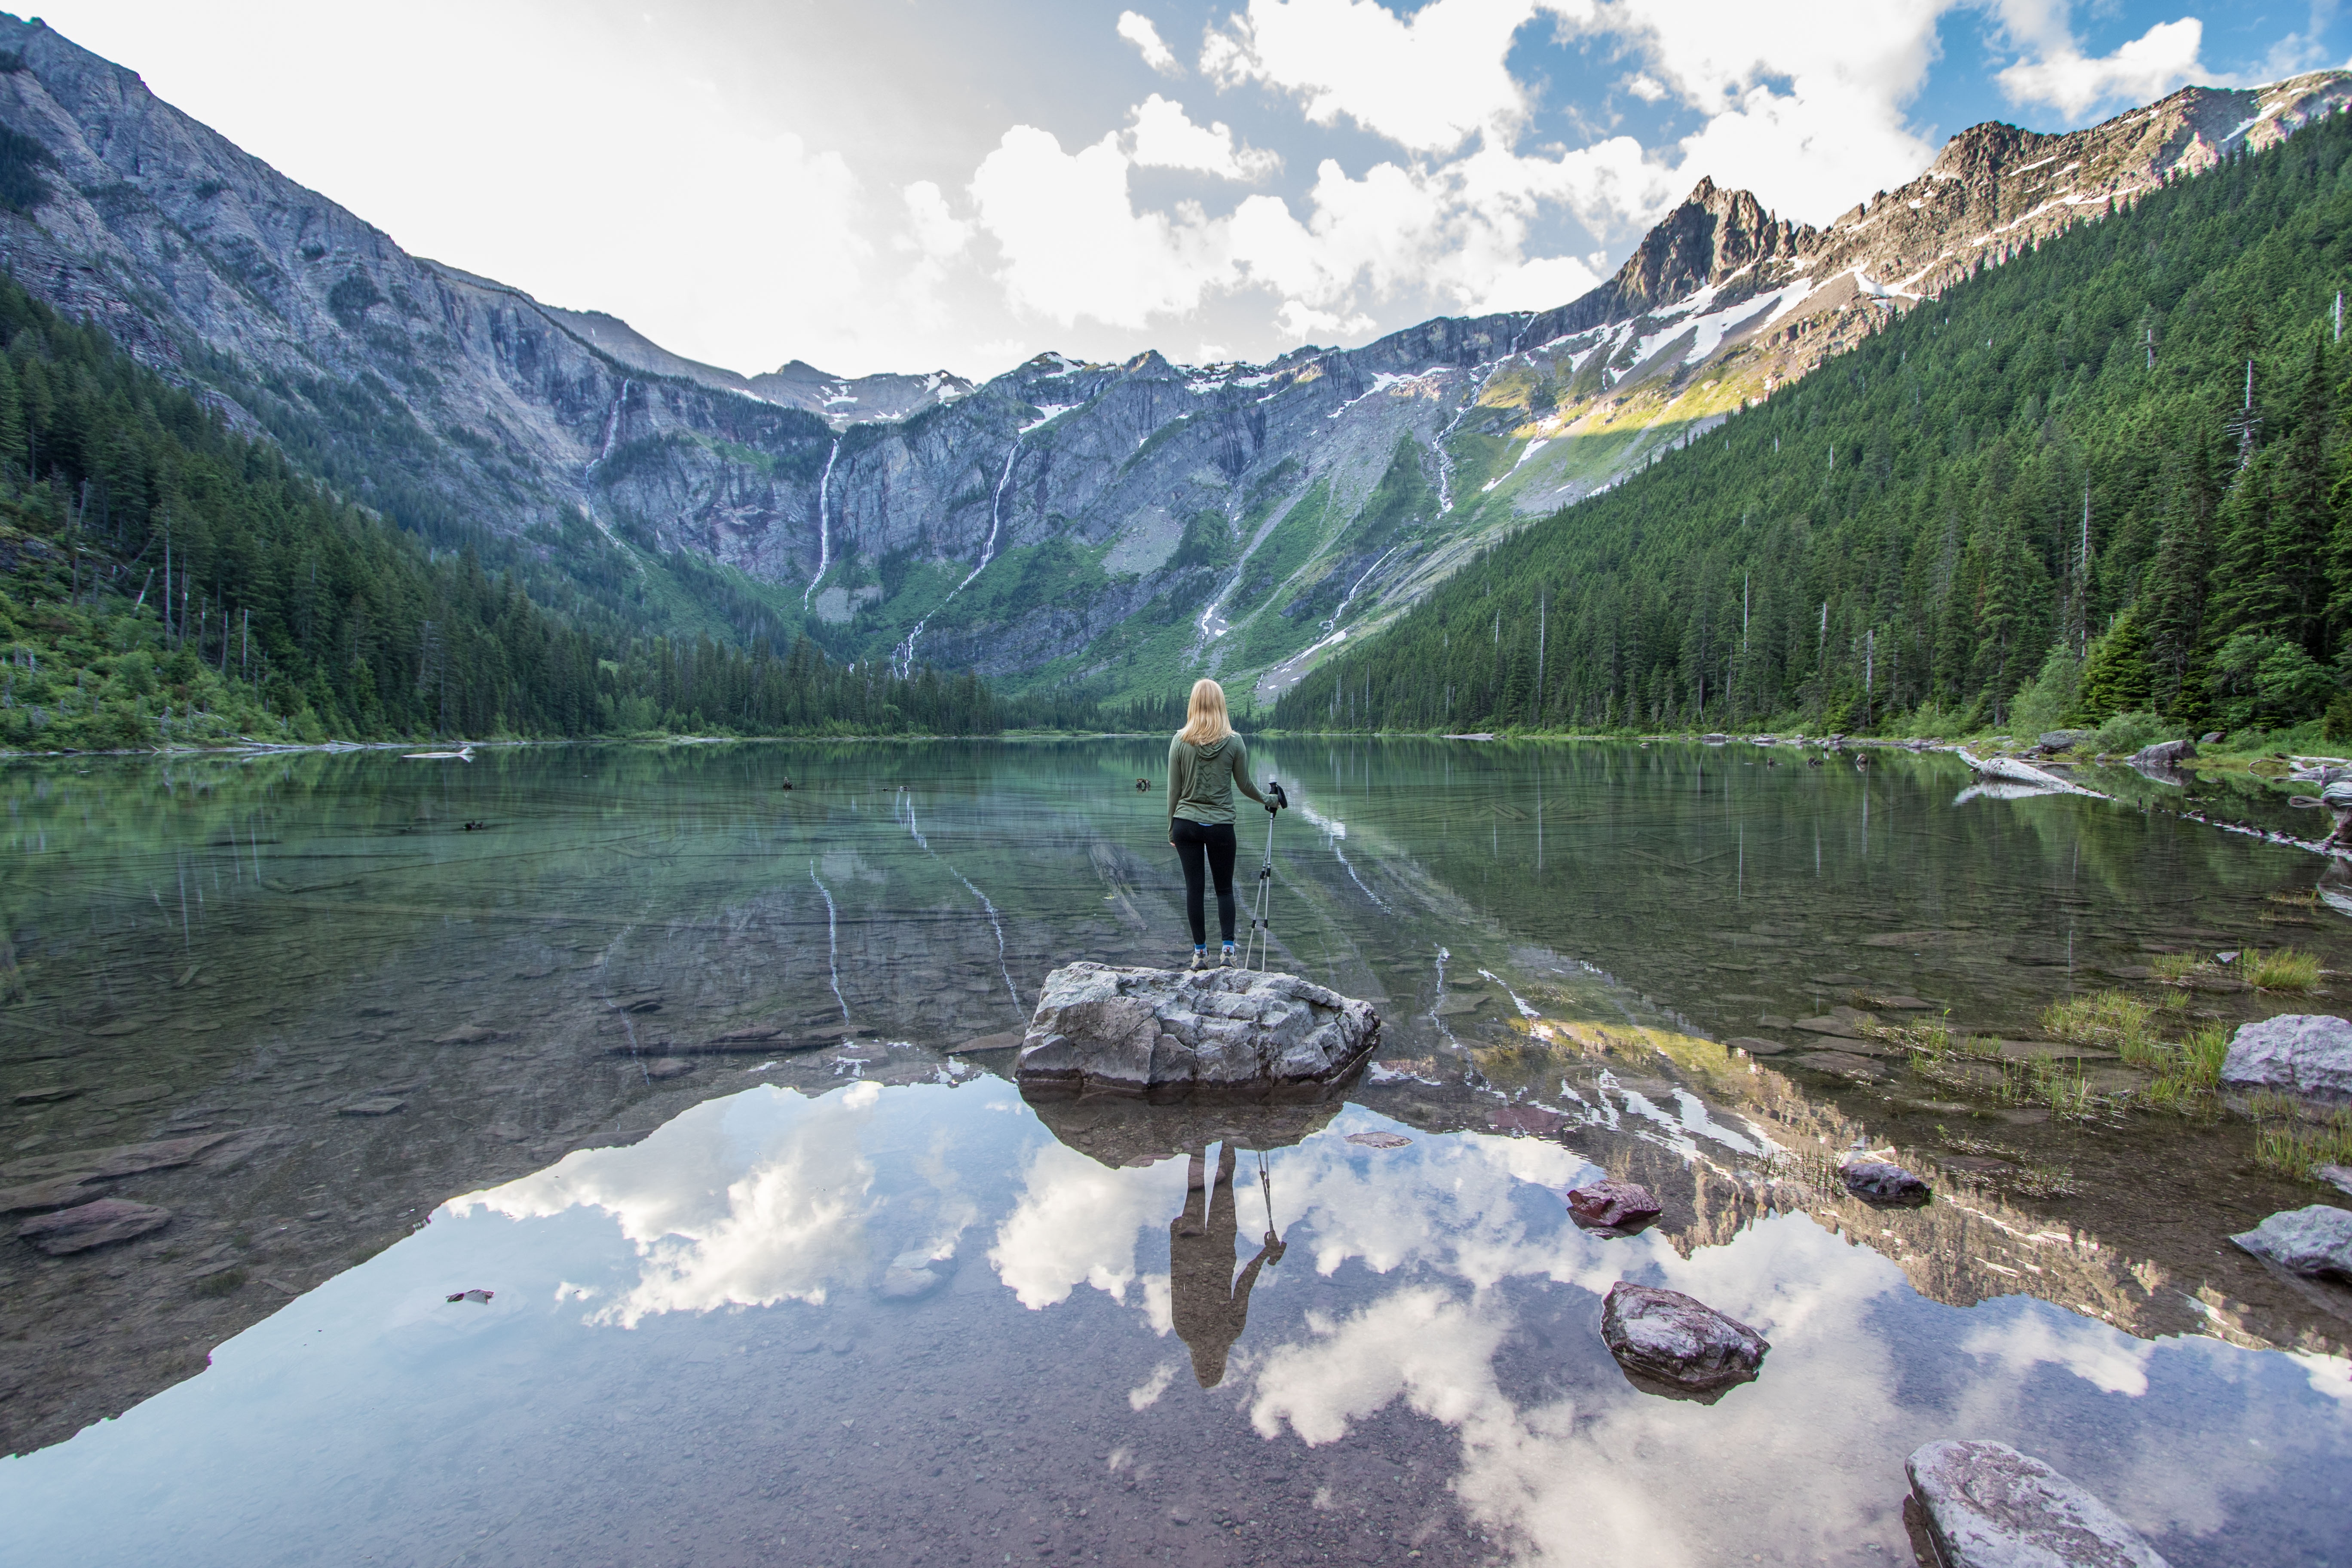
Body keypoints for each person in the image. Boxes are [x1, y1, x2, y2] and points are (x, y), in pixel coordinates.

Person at [1166, 678, 1275, 970]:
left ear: (1193, 704)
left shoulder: (1179, 741)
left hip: (1185, 824)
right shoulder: (1234, 741)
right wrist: (1270, 799)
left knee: (1194, 890)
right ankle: (1228, 953)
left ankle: (1200, 955)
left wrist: (1170, 828)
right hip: (1221, 827)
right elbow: (1245, 785)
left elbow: (1174, 793)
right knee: (1224, 889)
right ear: (1220, 704)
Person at [1167, 1142, 1283, 1388]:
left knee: (1221, 1183)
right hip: (1195, 1249)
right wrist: (1175, 1244)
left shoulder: (1227, 1331)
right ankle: (1208, 1135)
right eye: (1215, 1365)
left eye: (1208, 1365)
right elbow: (1178, 1281)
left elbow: (1243, 1285)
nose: (1212, 1360)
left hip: (1216, 1250)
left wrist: (1266, 1254)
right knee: (1199, 1188)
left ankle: (1224, 1136)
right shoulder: (1189, 1331)